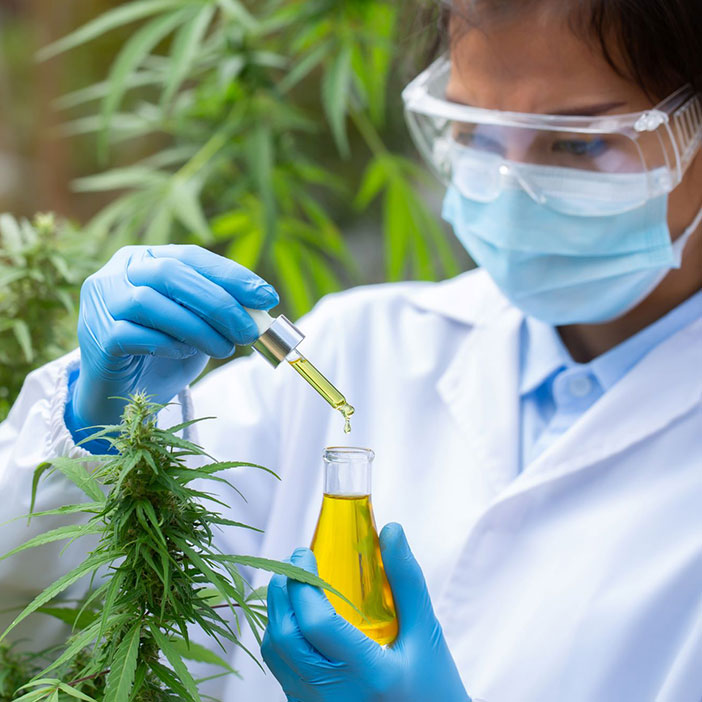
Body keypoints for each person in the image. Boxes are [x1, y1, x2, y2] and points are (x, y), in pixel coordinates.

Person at [1, 0, 701, 699]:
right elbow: (55, 634)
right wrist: (97, 444)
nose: (512, 185)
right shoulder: (361, 346)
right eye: (475, 133)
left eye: (576, 143)